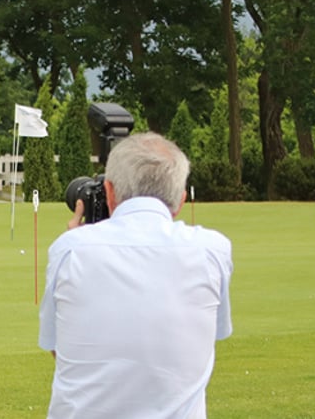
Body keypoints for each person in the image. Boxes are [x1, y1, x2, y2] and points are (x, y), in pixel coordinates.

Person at [38, 133, 233, 418]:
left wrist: (80, 246)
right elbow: (205, 336)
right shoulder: (212, 250)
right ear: (180, 202)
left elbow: (61, 350)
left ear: (110, 192)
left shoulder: (69, 250)